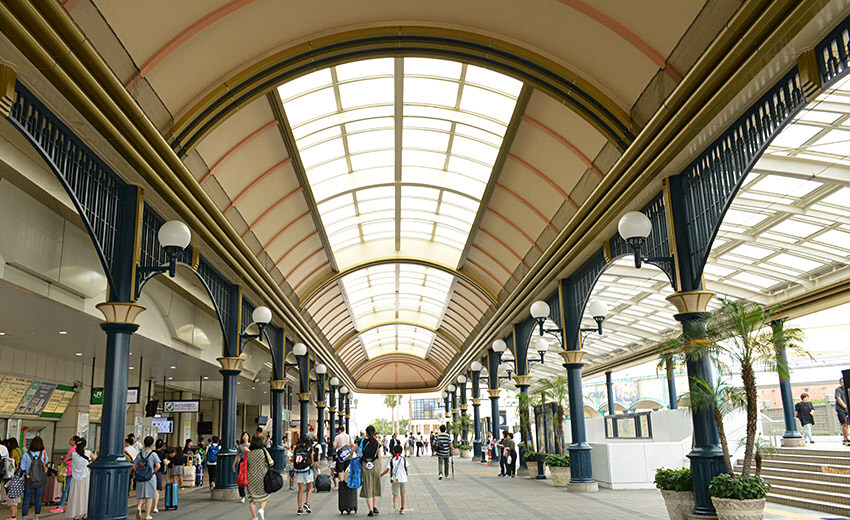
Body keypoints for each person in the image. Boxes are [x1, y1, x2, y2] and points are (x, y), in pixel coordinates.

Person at [66, 437, 95, 520]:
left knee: (75, 496)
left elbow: (65, 460)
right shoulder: (88, 453)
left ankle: (75, 515)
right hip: (85, 477)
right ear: (85, 446)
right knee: (85, 495)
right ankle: (85, 513)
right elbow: (96, 459)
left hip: (75, 478)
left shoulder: (73, 454)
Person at [244, 435, 273, 520]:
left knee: (252, 500)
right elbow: (270, 462)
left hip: (251, 478)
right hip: (262, 477)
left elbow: (247, 465)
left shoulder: (249, 453)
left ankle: (254, 518)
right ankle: (261, 509)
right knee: (264, 495)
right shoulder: (263, 451)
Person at [134, 436, 161, 520]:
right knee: (149, 496)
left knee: (141, 494)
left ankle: (139, 507)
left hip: (140, 476)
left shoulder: (140, 454)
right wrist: (153, 472)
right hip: (150, 477)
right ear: (152, 444)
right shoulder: (153, 454)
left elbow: (134, 466)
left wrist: (138, 472)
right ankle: (147, 515)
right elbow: (158, 466)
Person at [21, 436, 48, 520]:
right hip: (40, 478)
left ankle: (24, 517)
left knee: (27, 498)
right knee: (38, 498)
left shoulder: (26, 454)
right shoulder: (43, 453)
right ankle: (37, 517)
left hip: (29, 479)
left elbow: (22, 467)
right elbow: (45, 463)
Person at [51, 436, 79, 514]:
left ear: (74, 441)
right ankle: (70, 506)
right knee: (72, 489)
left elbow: (66, 461)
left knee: (65, 489)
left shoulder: (72, 449)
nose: (69, 441)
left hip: (69, 471)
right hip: (75, 471)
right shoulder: (79, 449)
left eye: (71, 439)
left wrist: (64, 460)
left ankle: (61, 506)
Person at [359, 425, 382, 517]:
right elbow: (379, 457)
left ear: (367, 433)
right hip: (375, 464)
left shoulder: (362, 442)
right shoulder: (377, 443)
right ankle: (375, 506)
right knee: (376, 485)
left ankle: (371, 510)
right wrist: (380, 468)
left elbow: (355, 450)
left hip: (365, 464)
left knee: (368, 486)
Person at [381, 444, 408, 515]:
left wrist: (381, 475)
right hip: (403, 479)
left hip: (395, 479)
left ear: (393, 452)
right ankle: (402, 508)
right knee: (402, 494)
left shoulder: (392, 460)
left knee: (395, 494)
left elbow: (387, 470)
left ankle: (395, 506)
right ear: (401, 452)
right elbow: (407, 468)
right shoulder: (404, 460)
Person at [291, 434, 314, 516]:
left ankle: (299, 508)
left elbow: (293, 459)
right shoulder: (309, 448)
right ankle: (307, 503)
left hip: (299, 470)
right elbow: (311, 461)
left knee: (300, 490)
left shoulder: (297, 448)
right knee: (309, 488)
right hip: (307, 470)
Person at [1, 438, 20, 520]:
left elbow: (10, 463)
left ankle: (13, 516)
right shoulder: (19, 450)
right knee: (14, 496)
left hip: (11, 474)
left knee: (12, 496)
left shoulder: (13, 451)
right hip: (16, 474)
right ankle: (13, 515)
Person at [233, 432, 250, 503]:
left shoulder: (252, 445)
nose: (245, 437)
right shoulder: (240, 446)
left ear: (248, 437)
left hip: (250, 462)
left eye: (246, 435)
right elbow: (237, 456)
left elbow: (253, 453)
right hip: (242, 462)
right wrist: (233, 464)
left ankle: (251, 494)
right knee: (241, 479)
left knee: (250, 478)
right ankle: (242, 495)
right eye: (243, 436)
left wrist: (248, 450)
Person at [153, 439, 169, 513]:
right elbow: (165, 463)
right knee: (157, 490)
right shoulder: (163, 453)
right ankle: (155, 507)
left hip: (150, 472)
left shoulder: (152, 452)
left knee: (149, 489)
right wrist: (169, 461)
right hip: (159, 472)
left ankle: (144, 505)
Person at [837, 378, 850, 445]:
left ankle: (846, 438)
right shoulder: (838, 390)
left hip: (848, 408)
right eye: (842, 382)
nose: (843, 383)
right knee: (844, 424)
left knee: (847, 424)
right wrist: (845, 406)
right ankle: (846, 438)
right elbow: (838, 398)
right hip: (841, 409)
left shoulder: (848, 389)